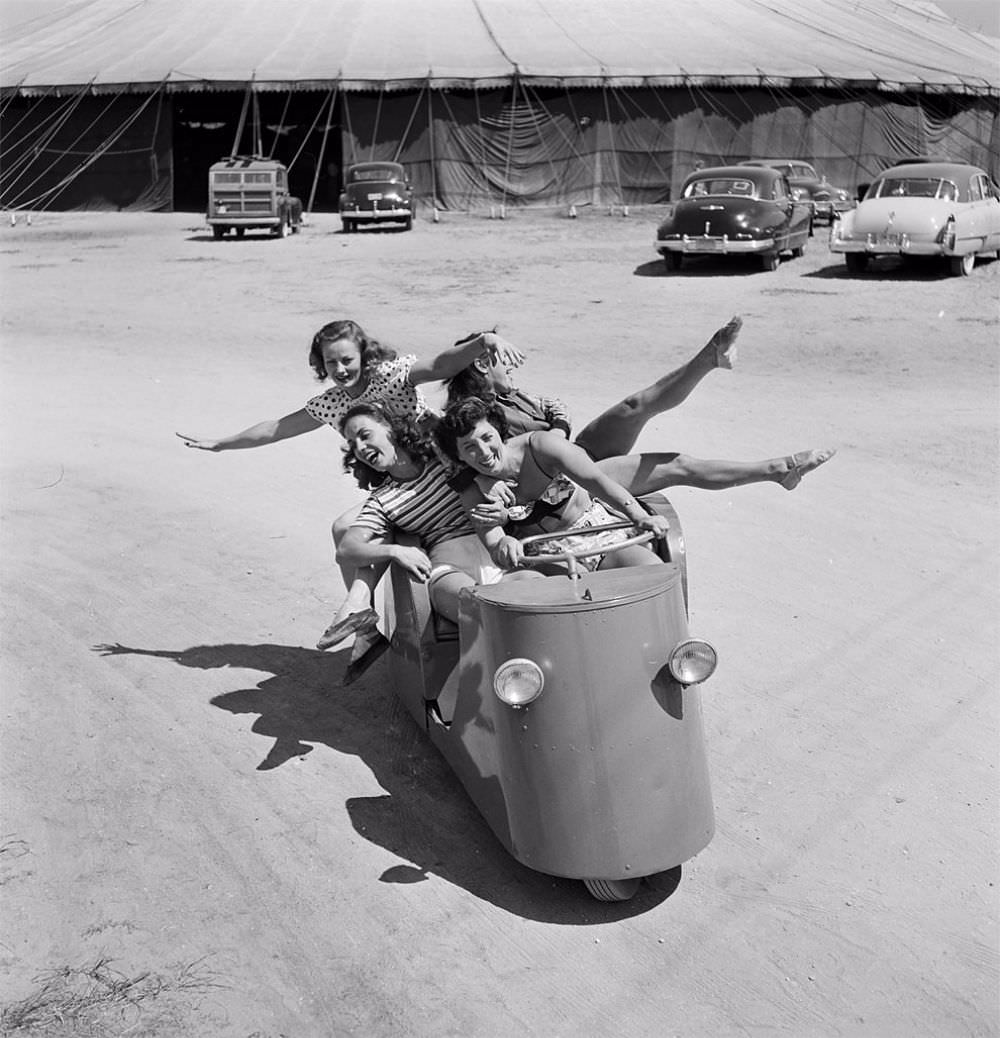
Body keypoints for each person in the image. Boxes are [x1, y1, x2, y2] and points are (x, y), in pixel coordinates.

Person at [435, 397, 836, 572]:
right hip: (548, 558)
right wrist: (502, 543)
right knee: (561, 607)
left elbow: (594, 478)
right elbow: (491, 538)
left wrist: (639, 515)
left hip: (596, 529)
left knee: (651, 572)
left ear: (499, 432)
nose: (482, 452)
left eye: (486, 439)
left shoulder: (541, 446)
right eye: (469, 448)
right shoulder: (472, 485)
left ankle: (778, 469)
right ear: (459, 456)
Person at [325, 403, 540, 681]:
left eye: (365, 435)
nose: (360, 446)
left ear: (390, 428)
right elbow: (347, 549)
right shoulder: (382, 500)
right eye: (353, 444)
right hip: (447, 567)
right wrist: (395, 550)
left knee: (540, 590)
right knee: (479, 605)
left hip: (493, 550)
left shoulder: (443, 461)